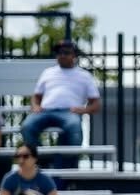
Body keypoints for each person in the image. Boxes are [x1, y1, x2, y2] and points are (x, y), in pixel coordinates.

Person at [21, 40, 101, 170]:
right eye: (59, 53)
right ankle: (43, 160)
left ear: (74, 55)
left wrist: (83, 110)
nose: (62, 55)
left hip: (69, 113)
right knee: (27, 126)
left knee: (74, 130)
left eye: (66, 53)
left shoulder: (84, 76)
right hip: (45, 111)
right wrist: (35, 106)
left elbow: (96, 104)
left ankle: (68, 167)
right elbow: (36, 96)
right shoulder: (47, 72)